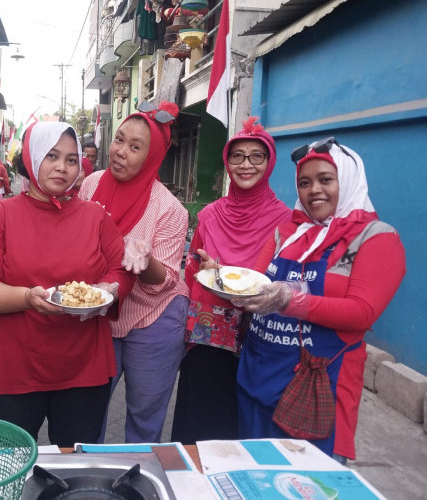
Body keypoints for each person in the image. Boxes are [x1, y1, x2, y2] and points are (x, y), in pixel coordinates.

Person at [0, 122, 134, 447]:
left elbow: (120, 270)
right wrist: (27, 298)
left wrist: (109, 289)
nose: (62, 167)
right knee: (7, 466)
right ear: (31, 156)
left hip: (83, 368)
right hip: (12, 369)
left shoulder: (96, 217)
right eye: (52, 156)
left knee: (71, 470)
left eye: (71, 159)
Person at [232, 138, 405, 462]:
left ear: (348, 180)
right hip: (256, 375)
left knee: (302, 483)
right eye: (304, 183)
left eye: (325, 179)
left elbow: (362, 313)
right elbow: (254, 283)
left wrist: (289, 301)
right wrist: (225, 282)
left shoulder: (377, 237)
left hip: (314, 388)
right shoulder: (287, 232)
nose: (314, 190)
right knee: (253, 477)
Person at [171, 117, 291, 444]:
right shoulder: (210, 214)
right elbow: (193, 269)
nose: (246, 165)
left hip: (257, 338)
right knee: (198, 425)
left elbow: (281, 276)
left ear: (269, 163)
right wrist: (207, 270)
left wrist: (224, 273)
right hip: (209, 334)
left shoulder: (285, 220)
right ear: (227, 162)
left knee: (242, 428)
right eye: (237, 156)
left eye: (257, 156)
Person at [79, 101, 190, 443]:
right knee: (89, 407)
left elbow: (164, 283)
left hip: (154, 317)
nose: (121, 152)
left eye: (135, 147)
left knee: (144, 415)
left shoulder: (170, 209)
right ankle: (88, 483)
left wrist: (145, 261)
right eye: (119, 140)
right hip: (102, 315)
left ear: (152, 155)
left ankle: (137, 482)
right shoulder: (91, 185)